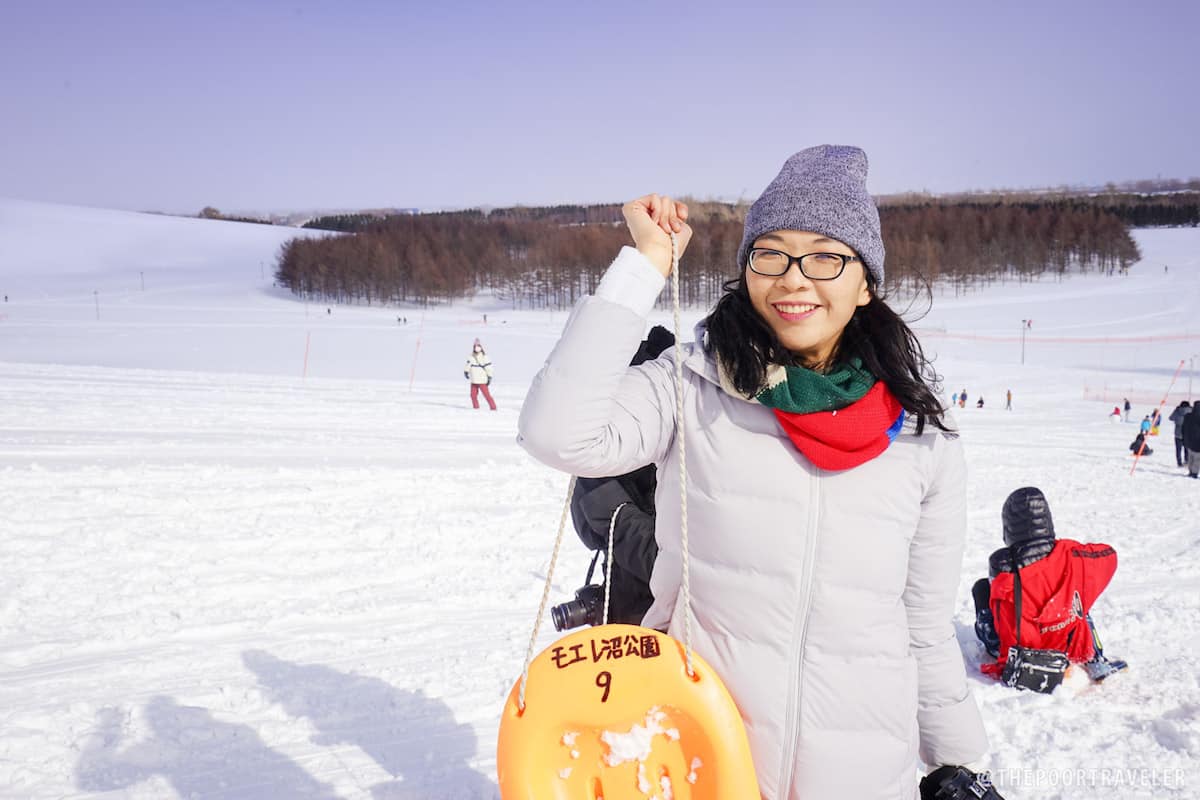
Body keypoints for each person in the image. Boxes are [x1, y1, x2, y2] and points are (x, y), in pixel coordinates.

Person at [518, 146, 992, 800]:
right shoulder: (690, 385)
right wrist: (646, 264)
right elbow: (556, 431)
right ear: (747, 272)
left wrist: (957, 760)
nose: (794, 279)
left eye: (825, 257)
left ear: (866, 284)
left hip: (862, 778)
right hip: (700, 762)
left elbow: (922, 626)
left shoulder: (922, 435)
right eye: (771, 255)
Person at [567, 326, 675, 626]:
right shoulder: (607, 454)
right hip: (624, 614)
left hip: (670, 624)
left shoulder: (688, 455)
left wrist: (611, 508)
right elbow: (589, 535)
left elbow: (668, 564)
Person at [972, 487, 1125, 683]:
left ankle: (999, 645)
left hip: (1020, 654)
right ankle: (1097, 662)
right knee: (1078, 601)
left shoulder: (1002, 564)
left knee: (982, 588)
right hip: (1067, 645)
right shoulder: (1070, 554)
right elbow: (1109, 554)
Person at [464, 338, 496, 410]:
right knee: (473, 395)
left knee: (487, 395)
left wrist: (489, 377)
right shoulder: (471, 356)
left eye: (478, 346)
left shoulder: (485, 357)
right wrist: (466, 371)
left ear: (481, 347)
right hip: (473, 379)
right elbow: (468, 364)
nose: (476, 347)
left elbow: (489, 368)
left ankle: (493, 408)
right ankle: (476, 408)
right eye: (475, 346)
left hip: (482, 380)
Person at [1169, 401, 1192, 466]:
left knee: (1178, 450)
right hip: (1188, 434)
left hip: (1178, 434)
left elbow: (1171, 418)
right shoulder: (1191, 411)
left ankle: (1179, 463)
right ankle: (1187, 461)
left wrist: (1176, 410)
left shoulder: (1177, 411)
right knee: (1187, 449)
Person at [1183, 407, 1200, 478]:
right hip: (1198, 442)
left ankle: (1190, 471)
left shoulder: (1188, 416)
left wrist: (1184, 439)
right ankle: (1194, 472)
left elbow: (1184, 428)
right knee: (1197, 459)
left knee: (1191, 457)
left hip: (1189, 441)